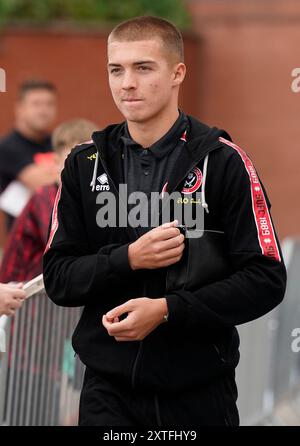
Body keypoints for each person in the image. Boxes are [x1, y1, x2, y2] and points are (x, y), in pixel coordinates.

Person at [43, 16, 287, 426]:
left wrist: (170, 309)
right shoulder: (84, 164)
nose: (127, 83)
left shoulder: (224, 162)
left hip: (198, 391)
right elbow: (58, 277)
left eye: (143, 68)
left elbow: (266, 278)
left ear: (178, 73)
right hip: (107, 389)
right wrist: (128, 259)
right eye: (115, 70)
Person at [0, 119, 98, 283]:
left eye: (90, 160)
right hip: (23, 297)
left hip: (58, 292)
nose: (81, 168)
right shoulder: (46, 195)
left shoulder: (89, 195)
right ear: (55, 162)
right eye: (73, 160)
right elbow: (64, 244)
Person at [0, 79, 58, 230]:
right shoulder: (8, 147)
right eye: (36, 104)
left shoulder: (57, 142)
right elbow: (47, 184)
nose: (43, 110)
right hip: (26, 242)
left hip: (56, 235)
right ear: (19, 108)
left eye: (49, 104)